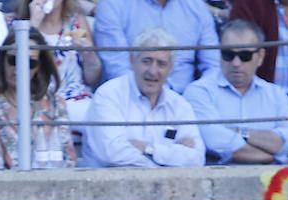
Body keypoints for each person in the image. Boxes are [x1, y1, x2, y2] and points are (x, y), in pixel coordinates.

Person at [82, 26, 206, 167]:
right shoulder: (108, 95)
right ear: (132, 61)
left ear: (171, 68)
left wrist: (149, 149)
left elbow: (197, 159)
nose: (153, 71)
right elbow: (112, 154)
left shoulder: (179, 105)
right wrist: (171, 157)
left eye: (161, 64)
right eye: (147, 61)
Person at [183, 19, 288, 163]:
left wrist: (239, 132)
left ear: (260, 57)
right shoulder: (199, 91)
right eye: (228, 54)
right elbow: (214, 142)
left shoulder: (276, 95)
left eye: (245, 56)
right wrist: (268, 153)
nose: (236, 63)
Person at [0, 25, 77, 168]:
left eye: (30, 62)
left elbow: (69, 160)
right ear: (2, 60)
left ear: (39, 66)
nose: (20, 68)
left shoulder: (55, 104)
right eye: (13, 60)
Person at [92, 0, 219, 92]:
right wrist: (159, 96)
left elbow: (214, 65)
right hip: (131, 97)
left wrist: (197, 93)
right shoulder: (112, 5)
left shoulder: (196, 7)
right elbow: (117, 68)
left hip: (187, 99)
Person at [25, 0, 102, 123]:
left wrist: (88, 54)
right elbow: (19, 69)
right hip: (38, 101)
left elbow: (92, 78)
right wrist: (34, 25)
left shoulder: (75, 25)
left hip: (77, 100)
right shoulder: (23, 26)